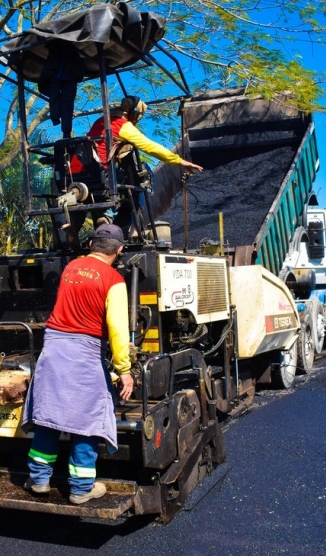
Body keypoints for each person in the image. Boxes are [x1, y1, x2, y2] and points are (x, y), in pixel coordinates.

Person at [21, 224, 134, 504]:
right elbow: (118, 328)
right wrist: (124, 369)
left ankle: (39, 481)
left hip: (53, 350)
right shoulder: (114, 280)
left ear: (91, 246)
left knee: (49, 416)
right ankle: (82, 488)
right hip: (84, 355)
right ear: (119, 250)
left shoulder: (71, 268)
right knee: (87, 421)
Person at [61, 96, 203, 246]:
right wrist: (179, 160)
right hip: (99, 173)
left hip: (74, 175)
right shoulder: (123, 126)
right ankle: (106, 218)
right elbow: (150, 147)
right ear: (134, 113)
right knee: (120, 186)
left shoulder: (102, 120)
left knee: (85, 198)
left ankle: (73, 224)